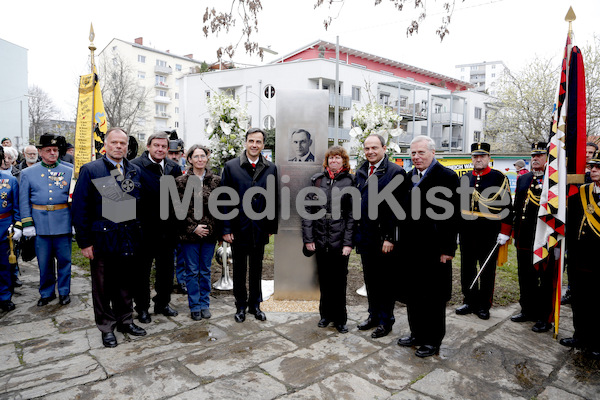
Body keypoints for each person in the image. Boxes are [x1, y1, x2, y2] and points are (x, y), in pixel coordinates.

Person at [72, 127, 147, 348]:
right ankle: (106, 327)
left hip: (128, 238)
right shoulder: (92, 170)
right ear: (106, 144)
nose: (118, 147)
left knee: (125, 283)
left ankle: (125, 320)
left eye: (122, 143)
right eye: (114, 143)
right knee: (103, 286)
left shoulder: (134, 170)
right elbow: (80, 209)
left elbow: (137, 205)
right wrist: (84, 242)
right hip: (102, 239)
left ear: (127, 146)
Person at [396, 135, 459, 358]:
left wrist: (448, 249)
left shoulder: (447, 177)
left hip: (435, 250)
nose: (416, 157)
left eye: (421, 152)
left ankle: (432, 340)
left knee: (433, 297)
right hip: (410, 249)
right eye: (413, 153)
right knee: (413, 294)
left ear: (433, 152)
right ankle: (416, 333)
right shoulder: (407, 177)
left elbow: (453, 217)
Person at [221, 127, 279, 323]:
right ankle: (240, 305)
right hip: (238, 227)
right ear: (246, 142)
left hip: (260, 228)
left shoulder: (271, 168)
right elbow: (224, 200)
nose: (254, 145)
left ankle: (255, 304)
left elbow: (273, 198)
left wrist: (271, 226)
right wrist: (227, 228)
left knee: (257, 267)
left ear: (263, 145)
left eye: (258, 142)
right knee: (239, 268)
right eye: (251, 141)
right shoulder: (231, 167)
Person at [355, 134, 407, 339]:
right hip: (366, 237)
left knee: (385, 282)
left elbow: (400, 210)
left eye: (374, 148)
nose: (370, 152)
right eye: (367, 148)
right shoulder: (360, 171)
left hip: (384, 239)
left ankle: (386, 321)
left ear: (384, 148)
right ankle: (373, 315)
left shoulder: (395, 172)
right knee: (370, 280)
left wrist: (390, 237)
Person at [456, 143, 513, 320]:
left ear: (489, 158)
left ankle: (484, 304)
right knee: (467, 268)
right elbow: (458, 206)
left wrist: (505, 231)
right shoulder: (464, 178)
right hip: (467, 230)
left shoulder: (498, 178)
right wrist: (457, 230)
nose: (478, 159)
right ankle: (469, 300)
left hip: (489, 231)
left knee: (487, 270)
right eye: (475, 156)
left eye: (482, 156)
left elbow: (507, 206)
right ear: (471, 159)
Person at [302, 146, 355, 334]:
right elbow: (307, 211)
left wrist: (348, 243)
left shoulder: (350, 181)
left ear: (343, 161)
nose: (334, 161)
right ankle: (325, 315)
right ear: (327, 161)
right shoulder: (317, 181)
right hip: (320, 239)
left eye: (337, 158)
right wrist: (309, 239)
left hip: (339, 242)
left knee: (339, 281)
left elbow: (351, 215)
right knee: (324, 280)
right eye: (331, 158)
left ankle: (340, 318)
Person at [131, 132, 183, 323]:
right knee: (142, 272)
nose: (160, 149)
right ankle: (142, 308)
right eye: (157, 146)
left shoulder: (173, 168)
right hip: (144, 229)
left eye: (163, 147)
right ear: (149, 146)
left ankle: (162, 303)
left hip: (168, 230)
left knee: (166, 271)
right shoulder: (135, 166)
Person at [20, 133, 73, 307]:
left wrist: (74, 223)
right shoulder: (28, 173)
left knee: (65, 261)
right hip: (40, 224)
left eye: (55, 150)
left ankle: (64, 291)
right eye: (48, 150)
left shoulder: (69, 171)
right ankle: (47, 292)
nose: (52, 153)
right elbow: (24, 200)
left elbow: (74, 200)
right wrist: (27, 223)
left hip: (63, 222)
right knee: (44, 262)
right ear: (40, 152)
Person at [511, 142, 555, 333]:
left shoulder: (553, 181)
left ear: (547, 157)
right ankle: (527, 309)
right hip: (524, 237)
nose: (535, 158)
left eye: (539, 155)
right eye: (533, 155)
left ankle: (544, 317)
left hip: (544, 238)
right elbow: (517, 207)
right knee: (525, 276)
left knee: (544, 280)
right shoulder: (524, 178)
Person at [561, 152, 600, 360]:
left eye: (597, 167)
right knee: (579, 301)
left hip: (598, 262)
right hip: (579, 260)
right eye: (592, 166)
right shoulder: (582, 194)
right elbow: (572, 223)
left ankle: (596, 342)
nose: (592, 170)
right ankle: (580, 335)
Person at [175, 145, 220, 321]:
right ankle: (194, 305)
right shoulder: (181, 181)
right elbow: (177, 209)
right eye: (196, 156)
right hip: (189, 234)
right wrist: (193, 227)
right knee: (192, 271)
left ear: (207, 158)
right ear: (190, 159)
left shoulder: (216, 181)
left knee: (205, 269)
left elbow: (221, 208)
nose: (200, 159)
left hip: (209, 233)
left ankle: (204, 303)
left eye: (203, 156)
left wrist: (213, 229)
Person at [0, 147, 22, 312]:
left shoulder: (10, 181)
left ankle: (4, 296)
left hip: (3, 228)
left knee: (4, 265)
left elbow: (16, 207)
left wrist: (16, 225)